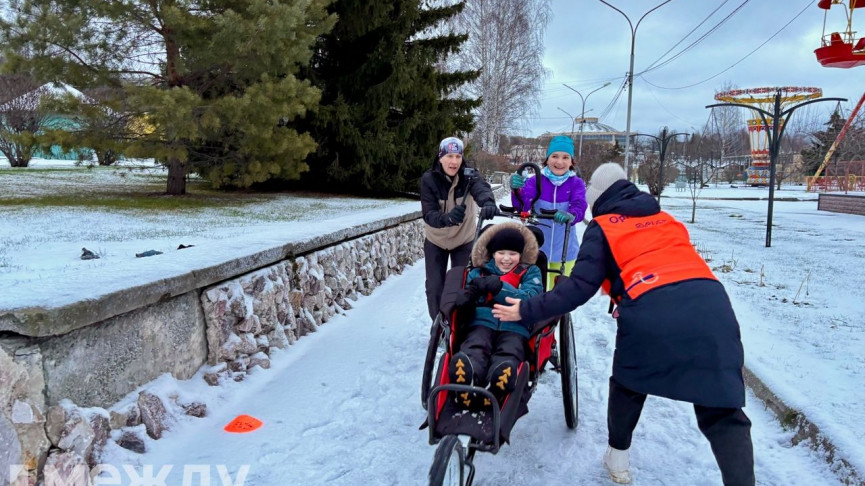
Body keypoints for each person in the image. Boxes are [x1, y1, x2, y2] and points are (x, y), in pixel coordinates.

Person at [492, 163, 754, 485]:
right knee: (722, 410)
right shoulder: (667, 219)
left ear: (598, 197)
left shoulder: (603, 226)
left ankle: (618, 459)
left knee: (629, 385)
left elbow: (577, 289)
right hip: (714, 308)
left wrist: (528, 309)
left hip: (650, 309)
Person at [448, 222, 543, 408]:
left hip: (515, 324)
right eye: (501, 253)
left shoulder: (530, 272)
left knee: (510, 350)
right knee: (476, 345)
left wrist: (500, 288)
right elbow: (469, 292)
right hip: (481, 321)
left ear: (521, 255)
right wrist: (467, 297)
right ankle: (466, 380)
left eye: (513, 254)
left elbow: (532, 296)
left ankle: (497, 383)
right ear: (492, 253)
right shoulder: (479, 271)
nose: (507, 259)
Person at [421, 136, 498, 321]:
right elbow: (429, 214)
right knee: (435, 287)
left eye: (457, 156)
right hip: (436, 240)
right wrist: (446, 218)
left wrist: (488, 202)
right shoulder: (429, 179)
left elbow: (481, 188)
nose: (454, 161)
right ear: (440, 158)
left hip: (463, 239)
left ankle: (459, 325)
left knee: (463, 284)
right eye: (449, 156)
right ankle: (439, 326)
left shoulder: (469, 175)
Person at [510, 135, 587, 289]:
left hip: (565, 249)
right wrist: (516, 190)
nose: (559, 162)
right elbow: (522, 206)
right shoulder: (536, 180)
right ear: (547, 158)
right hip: (538, 249)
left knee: (560, 293)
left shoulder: (576, 183)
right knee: (535, 290)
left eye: (565, 157)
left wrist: (571, 214)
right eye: (555, 156)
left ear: (571, 161)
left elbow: (580, 204)